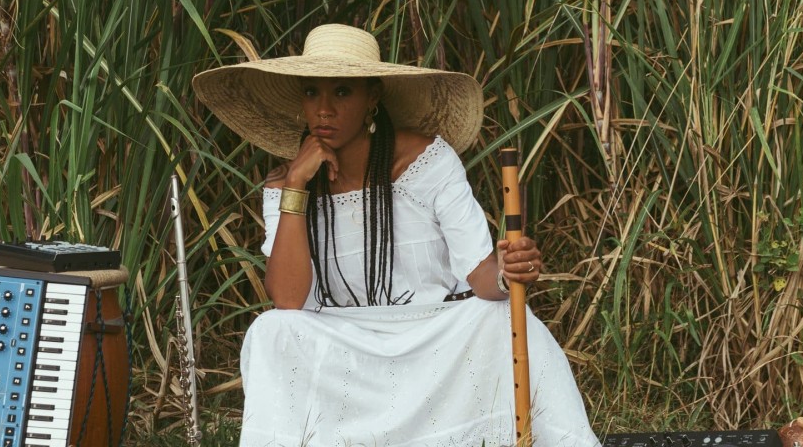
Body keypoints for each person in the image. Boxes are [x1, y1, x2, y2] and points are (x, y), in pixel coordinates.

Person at [193, 24, 599, 447]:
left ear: (373, 97)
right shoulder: (289, 185)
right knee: (271, 331)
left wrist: (507, 270)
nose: (324, 109)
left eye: (343, 92)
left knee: (499, 317)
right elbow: (288, 300)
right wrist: (296, 184)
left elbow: (479, 273)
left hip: (434, 342)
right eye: (312, 92)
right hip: (344, 347)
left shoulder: (427, 160)